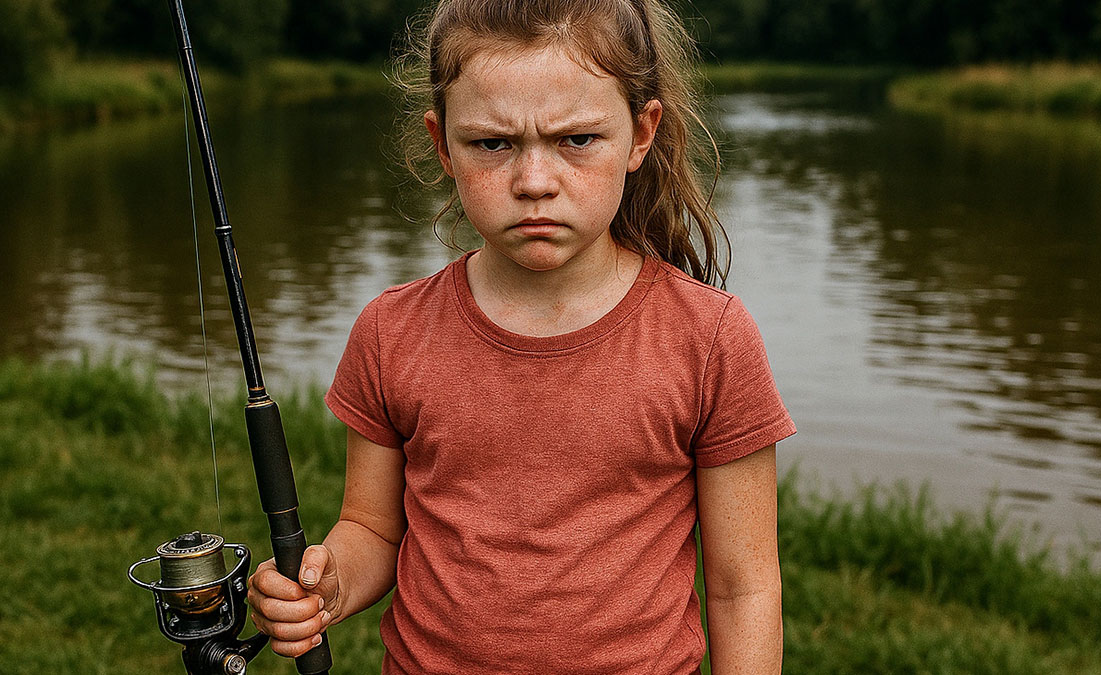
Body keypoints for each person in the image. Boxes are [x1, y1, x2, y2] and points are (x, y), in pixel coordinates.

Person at [247, 0, 795, 672]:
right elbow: (373, 529)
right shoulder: (391, 331)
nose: (535, 182)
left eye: (577, 140)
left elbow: (744, 586)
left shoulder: (711, 338)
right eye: (492, 144)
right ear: (443, 143)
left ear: (642, 133)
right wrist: (328, 584)